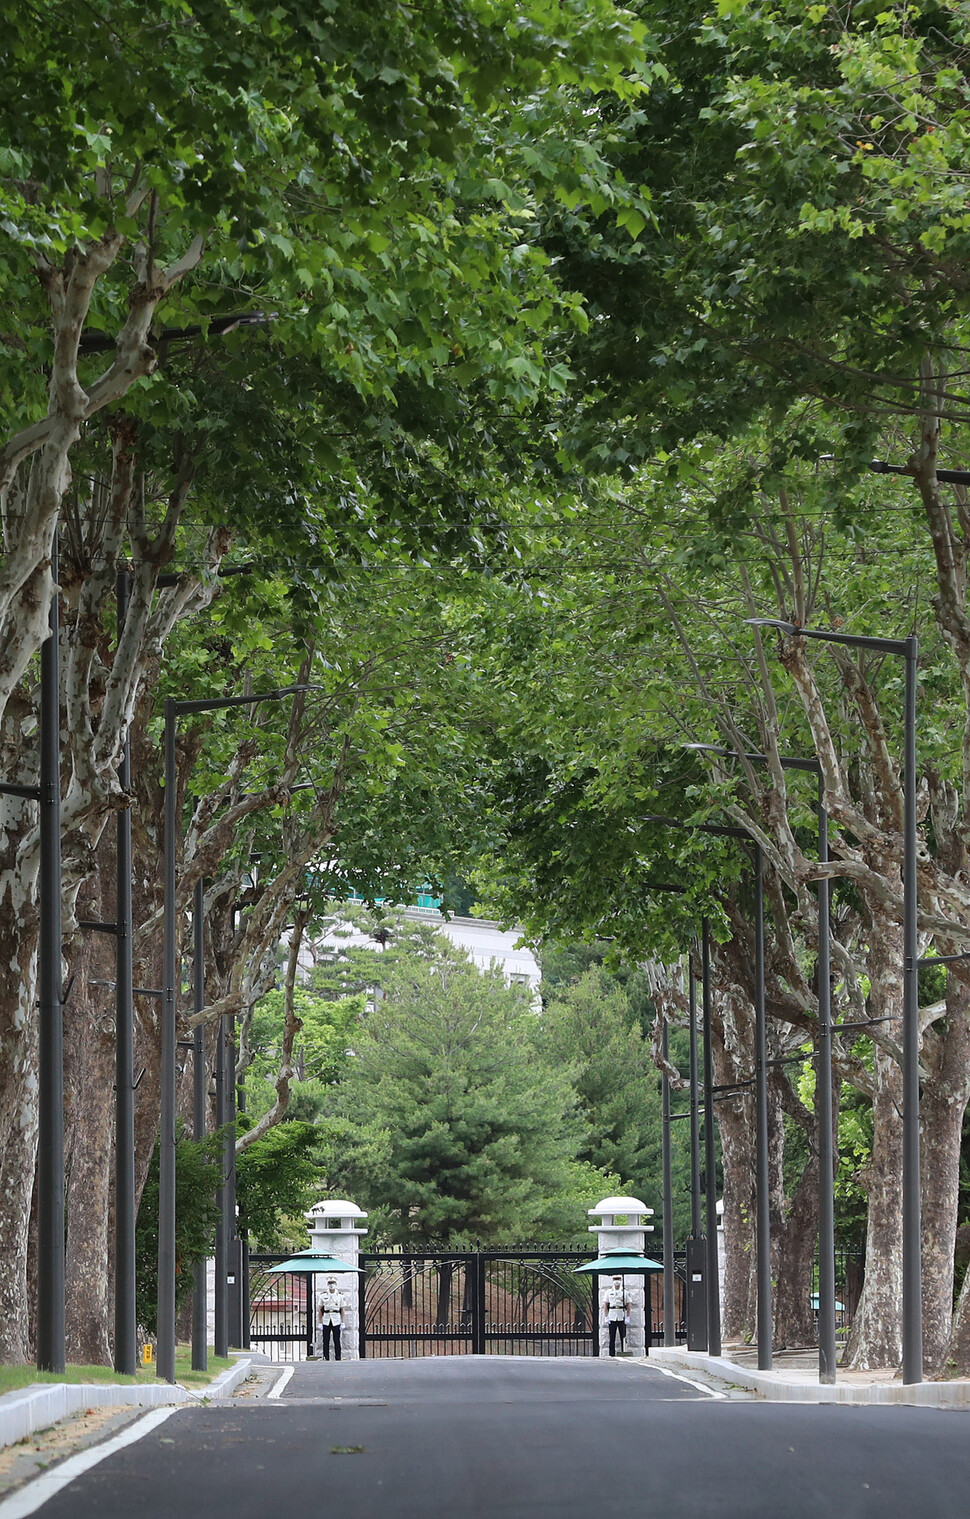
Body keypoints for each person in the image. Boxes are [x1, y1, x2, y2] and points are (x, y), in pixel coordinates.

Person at [316, 1276, 345, 1361]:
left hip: (336, 1319)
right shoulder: (323, 1296)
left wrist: (343, 1322)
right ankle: (326, 1357)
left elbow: (342, 1310)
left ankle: (338, 1357)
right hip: (326, 1318)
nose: (331, 1285)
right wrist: (320, 1322)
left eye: (333, 1283)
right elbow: (320, 1309)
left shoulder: (340, 1296)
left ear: (336, 1284)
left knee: (337, 1340)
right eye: (329, 1283)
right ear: (327, 1284)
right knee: (326, 1340)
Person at [603, 1274, 631, 1357]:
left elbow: (628, 1305)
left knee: (623, 1336)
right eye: (615, 1279)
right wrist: (606, 1316)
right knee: (612, 1337)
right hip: (612, 1316)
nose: (617, 1281)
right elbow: (605, 1305)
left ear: (621, 1280)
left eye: (618, 1279)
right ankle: (611, 1354)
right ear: (612, 1281)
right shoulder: (608, 1292)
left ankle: (623, 1352)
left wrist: (628, 1317)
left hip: (621, 1315)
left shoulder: (625, 1292)